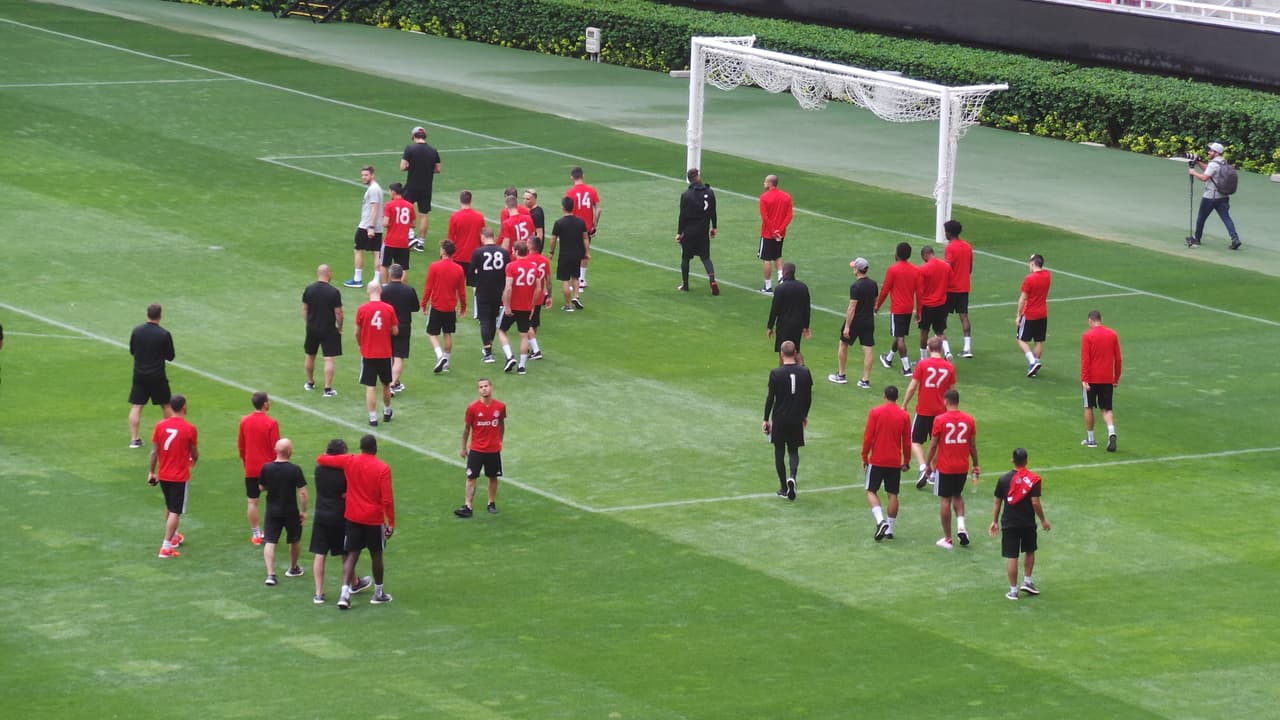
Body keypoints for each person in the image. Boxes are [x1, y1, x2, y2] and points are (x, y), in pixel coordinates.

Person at [315, 434, 395, 609]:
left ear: (360, 447)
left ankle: (344, 594)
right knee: (376, 555)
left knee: (351, 554)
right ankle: (378, 593)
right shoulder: (383, 468)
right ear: (375, 449)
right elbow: (387, 500)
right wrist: (391, 523)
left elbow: (321, 459)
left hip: (353, 516)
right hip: (373, 519)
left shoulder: (350, 461)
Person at [309, 438, 371, 604]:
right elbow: (350, 491)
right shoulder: (345, 471)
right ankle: (353, 583)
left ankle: (318, 593)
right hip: (340, 515)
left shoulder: (319, 468)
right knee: (346, 552)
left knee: (320, 554)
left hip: (321, 514)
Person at [989, 448, 1050, 600]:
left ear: (1012, 460)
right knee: (1030, 551)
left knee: (1012, 556)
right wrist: (1042, 519)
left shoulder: (1003, 480)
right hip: (1028, 522)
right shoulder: (1033, 479)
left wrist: (994, 521)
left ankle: (1013, 590)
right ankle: (1027, 581)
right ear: (1026, 461)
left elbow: (997, 502)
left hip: (1009, 523)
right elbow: (1035, 502)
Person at [924, 389, 980, 550]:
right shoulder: (969, 420)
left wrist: (927, 464)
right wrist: (976, 464)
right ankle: (961, 526)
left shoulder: (940, 420)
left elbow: (934, 444)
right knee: (958, 495)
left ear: (946, 401)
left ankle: (948, 538)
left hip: (945, 467)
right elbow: (972, 446)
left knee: (945, 500)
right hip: (962, 466)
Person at [901, 336, 956, 489]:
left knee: (915, 440)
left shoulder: (923, 364)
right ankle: (933, 472)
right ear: (941, 349)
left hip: (924, 410)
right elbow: (952, 392)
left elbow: (912, 387)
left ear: (928, 348)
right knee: (937, 442)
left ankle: (922, 468)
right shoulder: (949, 367)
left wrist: (904, 404)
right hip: (941, 412)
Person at [148, 394, 198, 559]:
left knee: (169, 506)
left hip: (164, 474)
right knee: (175, 511)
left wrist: (151, 472)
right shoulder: (189, 428)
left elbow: (154, 451)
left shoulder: (160, 425)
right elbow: (194, 452)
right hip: (179, 476)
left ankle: (174, 537)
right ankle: (166, 546)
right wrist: (193, 460)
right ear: (184, 407)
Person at [762, 340, 813, 501]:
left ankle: (784, 487)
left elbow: (771, 398)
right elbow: (808, 398)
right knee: (793, 450)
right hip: (796, 417)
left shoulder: (776, 373)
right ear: (796, 352)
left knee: (779, 451)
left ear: (781, 354)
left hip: (780, 418)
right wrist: (804, 415)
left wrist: (765, 419)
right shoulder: (805, 372)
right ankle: (792, 477)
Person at [861, 385, 911, 541]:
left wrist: (864, 456)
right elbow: (907, 442)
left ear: (884, 396)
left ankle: (880, 521)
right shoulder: (904, 416)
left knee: (871, 490)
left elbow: (868, 437)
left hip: (877, 459)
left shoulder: (876, 412)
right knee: (893, 494)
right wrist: (906, 461)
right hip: (894, 461)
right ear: (897, 397)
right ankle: (889, 528)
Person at [258, 438, 308, 586]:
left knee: (270, 541)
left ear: (276, 450)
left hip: (272, 510)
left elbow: (261, 487)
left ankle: (271, 574)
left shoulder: (266, 468)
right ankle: (293, 568)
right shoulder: (295, 469)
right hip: (290, 510)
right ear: (289, 452)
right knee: (294, 539)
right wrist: (304, 511)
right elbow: (303, 493)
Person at [456, 378, 507, 517]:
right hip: (477, 449)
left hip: (493, 449)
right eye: (481, 387)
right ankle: (468, 506)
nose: (484, 389)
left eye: (486, 386)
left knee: (493, 477)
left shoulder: (500, 407)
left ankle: (491, 503)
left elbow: (501, 424)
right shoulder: (472, 408)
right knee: (471, 477)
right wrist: (463, 448)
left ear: (491, 387)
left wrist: (500, 441)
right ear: (478, 390)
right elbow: (467, 429)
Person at [128, 304, 176, 449]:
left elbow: (132, 351)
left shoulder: (137, 331)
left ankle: (134, 439)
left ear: (147, 314)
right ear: (160, 316)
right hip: (157, 375)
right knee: (166, 404)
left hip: (140, 374)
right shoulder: (164, 334)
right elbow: (170, 356)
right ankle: (169, 436)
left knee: (137, 406)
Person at [237, 391, 280, 545]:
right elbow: (276, 447)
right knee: (274, 500)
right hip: (269, 468)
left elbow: (241, 446)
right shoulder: (271, 423)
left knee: (252, 502)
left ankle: (256, 534)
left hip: (251, 467)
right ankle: (271, 532)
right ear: (264, 404)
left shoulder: (244, 421)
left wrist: (246, 462)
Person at [355, 280, 398, 427]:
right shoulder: (389, 309)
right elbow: (395, 331)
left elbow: (357, 332)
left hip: (368, 353)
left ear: (368, 291)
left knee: (370, 386)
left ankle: (373, 418)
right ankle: (386, 411)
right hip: (385, 353)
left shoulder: (362, 309)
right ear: (380, 291)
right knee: (386, 384)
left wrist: (361, 343)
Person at [421, 240, 468, 374]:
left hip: (436, 305)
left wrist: (423, 304)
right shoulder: (459, 269)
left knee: (432, 334)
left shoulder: (434, 266)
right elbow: (462, 291)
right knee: (447, 334)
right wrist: (463, 307)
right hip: (450, 307)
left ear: (443, 251)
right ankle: (446, 362)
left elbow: (428, 287)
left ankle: (440, 356)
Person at [830, 257, 877, 388]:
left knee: (843, 344)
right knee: (868, 349)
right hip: (869, 320)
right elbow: (875, 302)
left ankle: (841, 374)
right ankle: (865, 380)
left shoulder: (855, 286)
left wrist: (847, 327)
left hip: (856, 321)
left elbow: (852, 308)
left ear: (857, 269)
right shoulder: (873, 284)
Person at [1080, 310, 1122, 452]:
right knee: (1107, 409)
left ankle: (1091, 439)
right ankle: (1111, 432)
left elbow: (1086, 359)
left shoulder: (1087, 336)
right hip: (1107, 378)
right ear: (1101, 319)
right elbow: (1118, 358)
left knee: (1088, 406)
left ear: (1090, 321)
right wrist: (1116, 377)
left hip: (1092, 378)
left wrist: (1084, 379)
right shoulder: (1112, 334)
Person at [1187, 142, 1241, 250]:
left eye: (1211, 151)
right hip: (1223, 196)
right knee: (1226, 218)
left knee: (1201, 218)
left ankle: (1197, 238)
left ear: (1216, 152)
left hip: (1210, 196)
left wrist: (1193, 172)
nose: (1209, 152)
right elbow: (1209, 169)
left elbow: (1204, 178)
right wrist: (1198, 162)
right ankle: (1235, 239)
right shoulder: (1223, 162)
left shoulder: (1213, 164)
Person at [499, 240, 542, 375]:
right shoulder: (534, 267)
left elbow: (508, 288)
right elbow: (539, 288)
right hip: (526, 306)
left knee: (501, 330)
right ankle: (522, 366)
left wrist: (506, 305)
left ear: (517, 252)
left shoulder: (511, 266)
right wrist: (533, 305)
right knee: (524, 335)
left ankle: (510, 356)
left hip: (513, 305)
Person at [875, 242, 917, 376]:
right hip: (909, 308)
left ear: (897, 254)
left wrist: (877, 305)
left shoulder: (893, 270)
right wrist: (919, 311)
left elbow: (885, 290)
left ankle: (906, 368)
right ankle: (888, 358)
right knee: (900, 334)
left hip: (898, 308)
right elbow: (919, 291)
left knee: (899, 337)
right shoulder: (915, 270)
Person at [675, 168, 719, 295]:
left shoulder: (686, 195)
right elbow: (713, 212)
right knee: (706, 258)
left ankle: (685, 285)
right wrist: (714, 227)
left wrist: (679, 232)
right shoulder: (710, 192)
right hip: (703, 232)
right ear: (698, 177)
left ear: (689, 179)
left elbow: (682, 216)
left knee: (685, 258)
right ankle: (712, 280)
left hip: (689, 232)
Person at [471, 227, 510, 364]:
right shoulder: (504, 252)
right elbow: (508, 272)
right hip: (498, 291)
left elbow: (470, 272)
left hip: (483, 290)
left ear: (482, 237)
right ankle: (489, 346)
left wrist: (474, 285)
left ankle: (488, 352)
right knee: (492, 319)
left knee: (484, 320)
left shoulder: (478, 252)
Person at [302, 264, 343, 397]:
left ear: (317, 273)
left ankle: (309, 382)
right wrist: (340, 327)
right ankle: (327, 388)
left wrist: (308, 323)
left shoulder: (309, 289)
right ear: (329, 273)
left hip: (312, 328)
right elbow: (338, 313)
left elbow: (305, 309)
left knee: (310, 355)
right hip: (328, 328)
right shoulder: (333, 292)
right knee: (328, 359)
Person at [380, 263, 420, 394]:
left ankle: (394, 382)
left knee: (390, 354)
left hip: (387, 326)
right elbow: (416, 307)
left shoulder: (384, 290)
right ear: (402, 275)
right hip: (403, 326)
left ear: (390, 275)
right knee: (398, 357)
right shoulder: (409, 290)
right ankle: (392, 384)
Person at [400, 125, 441, 252]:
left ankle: (411, 235)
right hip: (426, 187)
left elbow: (402, 167)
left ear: (413, 136)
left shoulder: (410, 148)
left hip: (412, 185)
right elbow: (438, 169)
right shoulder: (433, 151)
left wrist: (412, 167)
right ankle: (421, 243)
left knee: (406, 209)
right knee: (423, 215)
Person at [344, 165, 384, 288]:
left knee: (358, 249)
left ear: (372, 175)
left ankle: (358, 279)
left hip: (367, 226)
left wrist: (370, 226)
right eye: (362, 175)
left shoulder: (373, 189)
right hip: (375, 226)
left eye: (366, 175)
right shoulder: (376, 189)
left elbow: (374, 208)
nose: (363, 177)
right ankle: (376, 280)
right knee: (376, 252)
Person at [1016, 253, 1052, 378]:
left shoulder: (1029, 279)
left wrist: (1018, 315)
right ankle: (1035, 366)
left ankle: (1032, 362)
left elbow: (1022, 299)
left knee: (1021, 339)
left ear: (1032, 264)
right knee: (1038, 341)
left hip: (1030, 313)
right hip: (1043, 313)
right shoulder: (1048, 275)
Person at [549, 196, 588, 311]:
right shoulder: (581, 222)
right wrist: (587, 252)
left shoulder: (559, 223)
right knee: (575, 277)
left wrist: (551, 251)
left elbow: (553, 239)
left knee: (565, 280)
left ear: (563, 207)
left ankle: (568, 305)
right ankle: (576, 296)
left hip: (565, 255)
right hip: (578, 254)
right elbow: (585, 238)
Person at [766, 262, 811, 359]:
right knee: (796, 350)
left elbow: (774, 309)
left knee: (783, 351)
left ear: (784, 272)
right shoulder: (803, 287)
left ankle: (784, 372)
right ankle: (800, 370)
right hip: (797, 325)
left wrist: (770, 327)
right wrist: (806, 327)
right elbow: (807, 309)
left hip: (783, 325)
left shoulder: (780, 289)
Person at [758, 174, 794, 293]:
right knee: (777, 256)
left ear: (769, 183)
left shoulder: (764, 197)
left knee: (766, 259)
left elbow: (765, 217)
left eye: (765, 182)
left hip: (768, 233)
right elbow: (789, 215)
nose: (764, 184)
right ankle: (781, 278)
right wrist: (780, 230)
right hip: (780, 234)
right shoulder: (786, 197)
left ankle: (768, 286)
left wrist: (773, 231)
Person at [943, 220, 974, 358]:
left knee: (942, 318)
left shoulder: (950, 248)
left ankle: (944, 348)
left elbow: (947, 267)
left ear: (949, 232)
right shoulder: (967, 246)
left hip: (951, 288)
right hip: (964, 287)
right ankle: (967, 348)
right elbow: (970, 268)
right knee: (964, 316)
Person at [565, 167, 600, 289]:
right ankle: (582, 279)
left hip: (573, 226)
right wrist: (595, 224)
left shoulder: (570, 192)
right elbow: (598, 209)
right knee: (585, 251)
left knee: (572, 253)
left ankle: (574, 279)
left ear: (571, 177)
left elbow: (567, 210)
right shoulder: (592, 191)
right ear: (583, 176)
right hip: (587, 227)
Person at [915, 245, 952, 360]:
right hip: (941, 304)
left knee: (924, 331)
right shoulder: (946, 266)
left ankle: (923, 358)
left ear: (925, 255)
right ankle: (947, 352)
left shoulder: (922, 269)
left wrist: (918, 311)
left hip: (927, 305)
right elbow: (950, 284)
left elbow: (919, 291)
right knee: (940, 331)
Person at [446, 190, 487, 285]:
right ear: (471, 200)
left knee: (455, 284)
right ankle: (476, 300)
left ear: (460, 200)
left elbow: (450, 239)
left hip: (458, 256)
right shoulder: (479, 217)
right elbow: (483, 237)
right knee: (475, 285)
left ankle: (458, 300)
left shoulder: (455, 217)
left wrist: (447, 256)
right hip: (475, 256)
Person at [379, 182, 415, 285]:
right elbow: (413, 224)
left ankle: (385, 287)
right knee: (403, 267)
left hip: (390, 241)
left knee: (384, 264)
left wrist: (391, 222)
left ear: (393, 192)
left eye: (390, 191)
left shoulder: (389, 205)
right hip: (404, 243)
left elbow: (385, 223)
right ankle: (401, 287)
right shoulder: (409, 206)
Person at [526, 235, 552, 360]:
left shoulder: (526, 259)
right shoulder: (545, 260)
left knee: (526, 323)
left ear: (531, 246)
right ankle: (530, 347)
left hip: (527, 296)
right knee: (534, 322)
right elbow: (549, 281)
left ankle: (535, 349)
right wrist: (549, 296)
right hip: (540, 295)